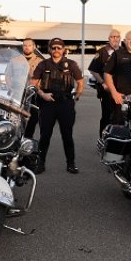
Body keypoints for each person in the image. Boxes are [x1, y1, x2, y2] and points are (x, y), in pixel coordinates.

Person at [31, 37, 84, 174]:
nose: (56, 50)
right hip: (47, 102)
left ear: (63, 49)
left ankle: (71, 164)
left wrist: (76, 96)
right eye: (53, 48)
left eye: (58, 48)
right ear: (50, 50)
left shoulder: (71, 64)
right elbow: (34, 83)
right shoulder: (43, 64)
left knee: (67, 135)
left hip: (65, 103)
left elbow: (80, 82)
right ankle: (40, 163)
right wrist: (43, 95)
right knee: (45, 135)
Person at [103, 30, 131, 124]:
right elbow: (107, 73)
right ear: (124, 41)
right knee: (119, 127)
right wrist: (114, 93)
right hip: (121, 98)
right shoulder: (117, 55)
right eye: (129, 39)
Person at [88, 29, 121, 137]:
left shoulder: (122, 51)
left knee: (119, 116)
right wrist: (102, 82)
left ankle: (116, 138)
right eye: (112, 37)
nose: (115, 39)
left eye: (117, 36)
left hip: (120, 90)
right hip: (106, 91)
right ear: (108, 39)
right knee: (106, 115)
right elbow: (93, 69)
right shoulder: (102, 52)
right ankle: (103, 138)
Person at [22, 38, 43, 139]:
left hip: (34, 95)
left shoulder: (40, 61)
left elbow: (44, 79)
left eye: (29, 45)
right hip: (19, 94)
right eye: (25, 45)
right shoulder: (15, 60)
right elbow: (8, 76)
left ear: (34, 47)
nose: (27, 47)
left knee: (33, 118)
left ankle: (28, 139)